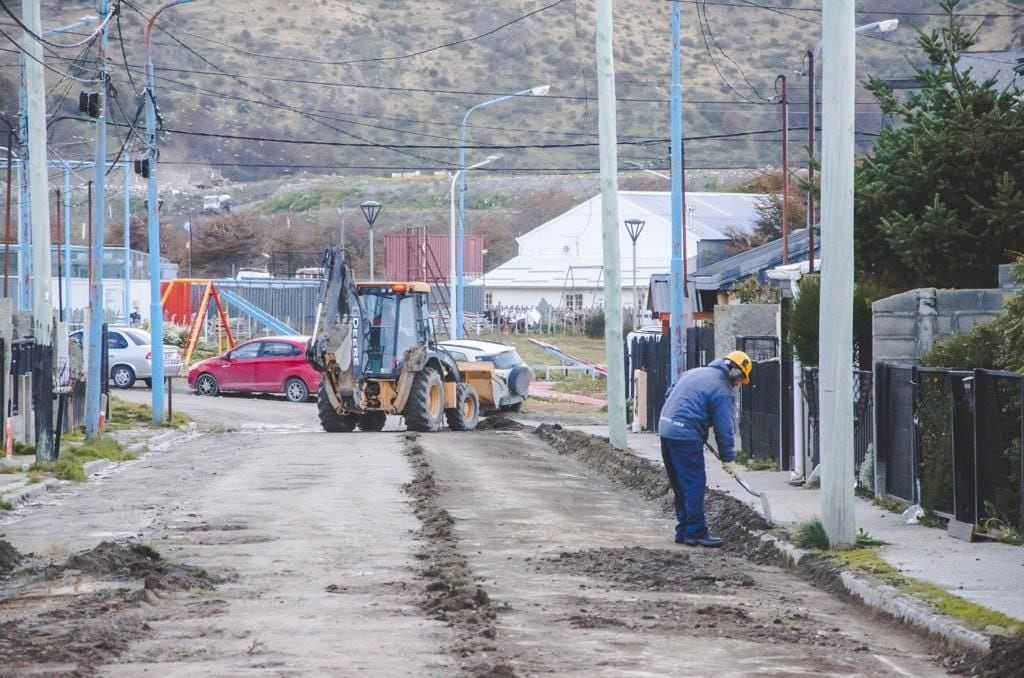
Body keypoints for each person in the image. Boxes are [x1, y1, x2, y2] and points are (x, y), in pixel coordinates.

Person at [658, 350, 753, 548]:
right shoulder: (722, 389)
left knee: (680, 484)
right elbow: (724, 429)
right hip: (684, 435)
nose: (737, 385)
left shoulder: (694, 372)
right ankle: (696, 532)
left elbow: (670, 394)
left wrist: (696, 426)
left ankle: (683, 530)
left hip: (666, 429)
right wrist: (728, 459)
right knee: (694, 483)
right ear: (735, 373)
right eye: (739, 381)